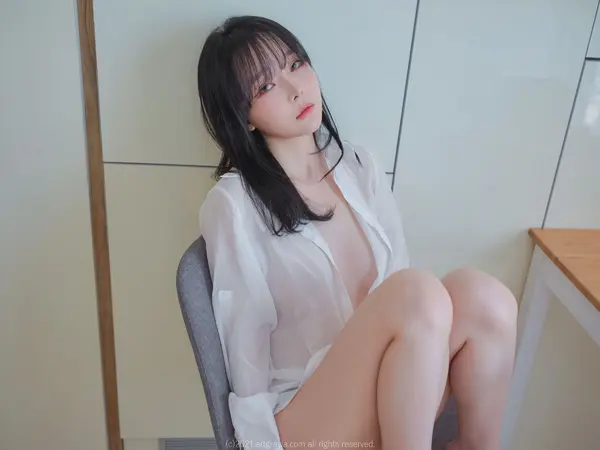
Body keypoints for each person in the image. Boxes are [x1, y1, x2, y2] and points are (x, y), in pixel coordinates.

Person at [196, 15, 517, 450]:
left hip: (393, 383)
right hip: (305, 417)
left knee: (484, 297)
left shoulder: (359, 166)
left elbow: (406, 300)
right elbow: (244, 337)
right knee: (416, 292)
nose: (295, 89)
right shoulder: (234, 203)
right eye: (266, 86)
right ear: (243, 116)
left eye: (295, 64)